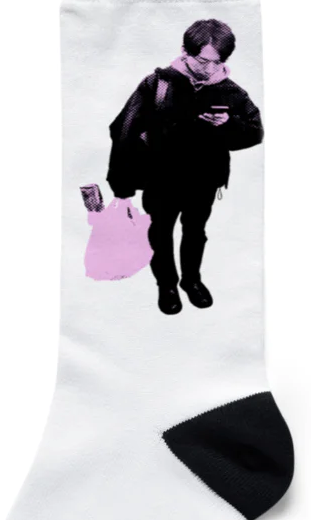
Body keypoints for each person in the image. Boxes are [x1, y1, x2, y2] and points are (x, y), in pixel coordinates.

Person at [106, 19, 264, 315]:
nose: (209, 68)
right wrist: (122, 186)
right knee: (160, 233)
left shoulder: (232, 91)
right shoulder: (157, 84)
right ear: (184, 51)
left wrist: (229, 124)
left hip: (205, 180)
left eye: (217, 62)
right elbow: (123, 130)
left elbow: (256, 133)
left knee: (195, 232)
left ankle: (191, 281)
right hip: (160, 178)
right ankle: (166, 285)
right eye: (202, 61)